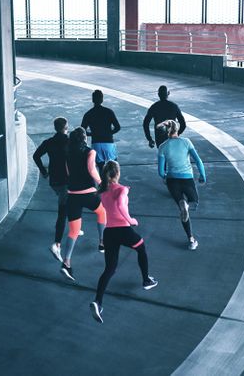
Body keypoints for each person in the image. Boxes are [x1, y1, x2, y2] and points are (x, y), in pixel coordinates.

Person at [90, 161, 158, 323]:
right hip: (123, 230)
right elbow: (120, 204)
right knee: (141, 248)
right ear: (117, 173)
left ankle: (97, 302)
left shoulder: (103, 191)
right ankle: (147, 280)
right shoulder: (121, 190)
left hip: (109, 233)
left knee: (110, 269)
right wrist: (131, 220)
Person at [61, 127, 107, 281]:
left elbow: (67, 173)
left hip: (72, 195)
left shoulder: (68, 152)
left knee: (73, 231)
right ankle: (101, 242)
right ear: (84, 138)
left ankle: (66, 261)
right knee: (101, 212)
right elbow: (91, 169)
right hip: (88, 193)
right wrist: (102, 182)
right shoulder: (89, 152)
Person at [32, 117, 77, 263]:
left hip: (54, 181)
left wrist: (43, 171)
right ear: (66, 127)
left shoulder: (49, 142)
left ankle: (74, 226)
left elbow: (36, 155)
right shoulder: (69, 141)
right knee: (62, 210)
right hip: (66, 180)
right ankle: (57, 243)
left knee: (68, 201)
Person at [157, 120, 206, 250]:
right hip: (187, 178)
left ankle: (191, 238)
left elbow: (161, 172)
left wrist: (165, 177)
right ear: (178, 130)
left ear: (166, 131)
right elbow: (198, 160)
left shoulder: (162, 146)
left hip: (172, 180)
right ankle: (187, 205)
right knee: (194, 201)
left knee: (181, 207)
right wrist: (202, 175)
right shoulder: (186, 142)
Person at [81, 90, 121, 173]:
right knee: (113, 167)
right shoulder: (109, 112)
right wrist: (109, 133)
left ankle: (103, 184)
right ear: (102, 99)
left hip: (96, 142)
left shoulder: (88, 114)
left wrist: (91, 134)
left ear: (92, 100)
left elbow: (82, 130)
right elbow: (117, 127)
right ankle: (113, 184)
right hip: (108, 142)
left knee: (101, 167)